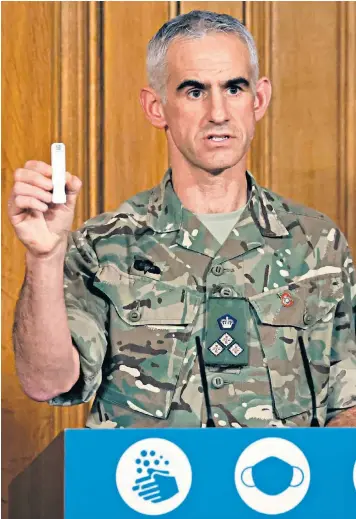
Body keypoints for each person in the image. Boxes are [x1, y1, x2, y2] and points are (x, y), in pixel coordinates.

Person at [9, 10, 356, 428]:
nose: (218, 113)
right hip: (149, 491)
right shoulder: (104, 247)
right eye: (194, 91)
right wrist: (43, 258)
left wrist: (325, 482)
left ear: (258, 99)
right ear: (156, 107)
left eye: (234, 88)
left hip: (278, 487)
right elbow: (47, 381)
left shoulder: (317, 244)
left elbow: (348, 401)